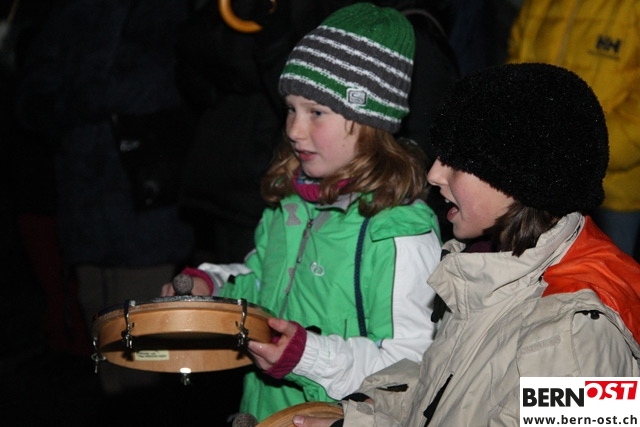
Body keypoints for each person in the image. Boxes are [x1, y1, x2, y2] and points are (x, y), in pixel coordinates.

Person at [290, 63, 640, 427]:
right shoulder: (487, 272)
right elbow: (448, 398)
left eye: (457, 162)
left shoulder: (577, 335)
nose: (434, 174)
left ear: (521, 178)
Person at [161, 2, 442, 422]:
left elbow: (410, 366)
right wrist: (212, 290)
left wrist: (306, 356)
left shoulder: (397, 232)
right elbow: (262, 284)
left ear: (369, 120)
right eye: (291, 108)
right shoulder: (292, 204)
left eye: (316, 112)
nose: (293, 129)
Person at [14, 0, 195, 394]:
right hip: (84, 195)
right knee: (103, 332)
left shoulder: (167, 11)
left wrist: (79, 96)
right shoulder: (70, 11)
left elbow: (167, 83)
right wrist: (64, 104)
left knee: (143, 343)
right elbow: (34, 92)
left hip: (145, 191)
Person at [506, 0, 640, 259]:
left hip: (614, 187)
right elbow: (516, 69)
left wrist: (584, 151)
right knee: (533, 270)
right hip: (542, 173)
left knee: (607, 275)